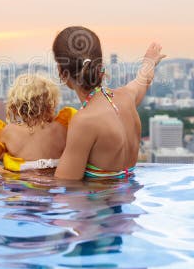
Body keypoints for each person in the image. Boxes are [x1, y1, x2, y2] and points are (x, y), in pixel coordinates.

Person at [52, 26, 165, 180]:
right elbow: (142, 80)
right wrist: (149, 62)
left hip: (101, 203)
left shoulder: (84, 121)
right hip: (130, 195)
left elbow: (65, 184)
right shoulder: (126, 97)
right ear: (100, 65)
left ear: (63, 74)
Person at [0, 74, 77, 171]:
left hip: (21, 189)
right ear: (51, 103)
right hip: (54, 190)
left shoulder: (10, 132)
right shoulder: (62, 130)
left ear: (15, 105)